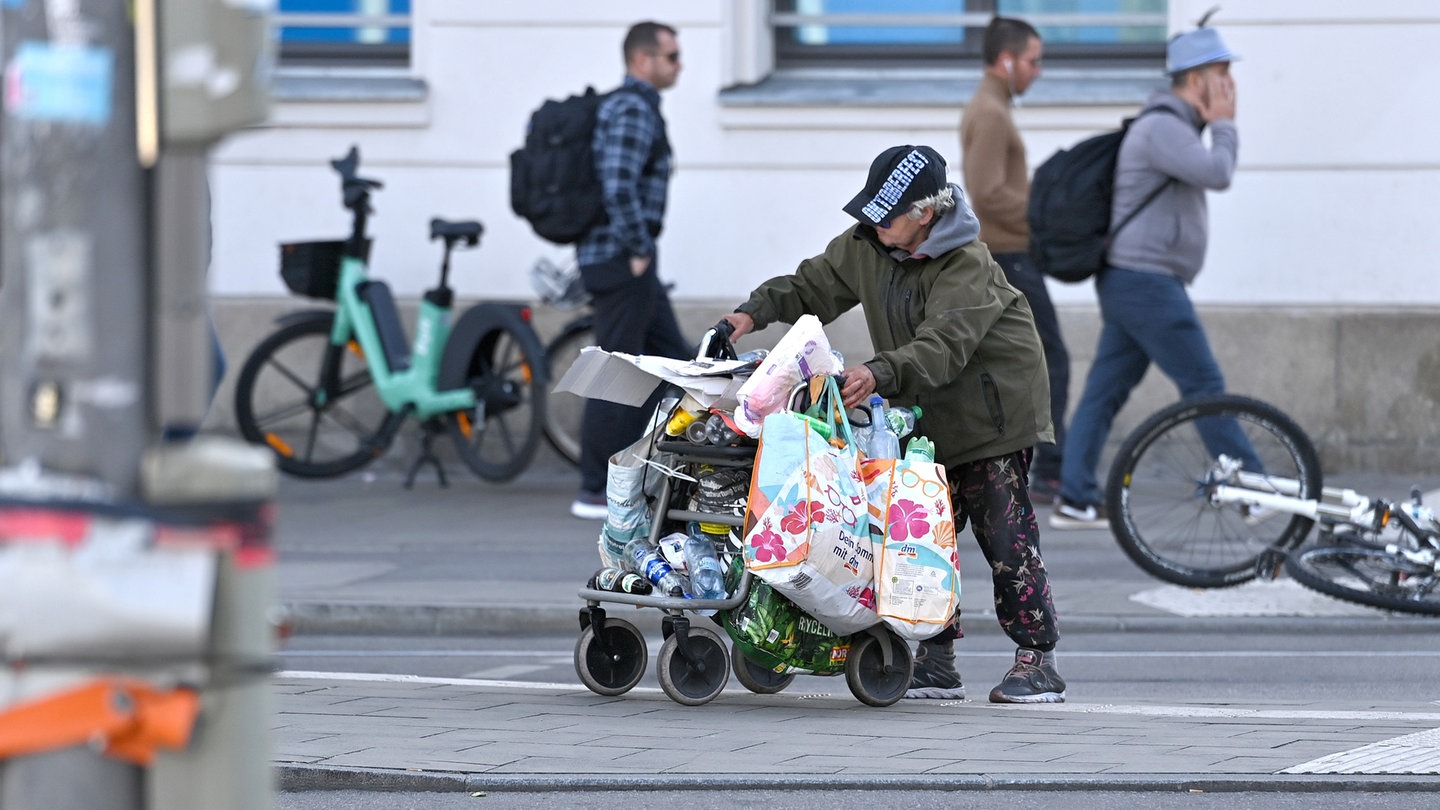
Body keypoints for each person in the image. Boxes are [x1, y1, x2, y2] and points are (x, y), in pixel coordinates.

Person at [721, 145, 1067, 704]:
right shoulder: (868, 244)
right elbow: (812, 285)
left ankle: (1038, 658)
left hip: (993, 415)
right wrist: (752, 312)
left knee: (1005, 535)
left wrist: (878, 372)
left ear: (925, 214)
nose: (875, 222)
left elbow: (943, 346)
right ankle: (936, 658)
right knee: (917, 538)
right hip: (924, 412)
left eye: (888, 213)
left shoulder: (967, 264)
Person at [1050, 23, 1253, 529]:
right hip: (1146, 283)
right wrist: (1225, 122)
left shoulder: (1174, 125)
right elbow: (1219, 172)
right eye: (1221, 74)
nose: (1229, 85)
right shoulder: (1163, 126)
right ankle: (1250, 485)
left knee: (1105, 390)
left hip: (1135, 281)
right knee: (1204, 383)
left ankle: (1075, 497)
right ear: (1195, 79)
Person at [570, 21, 692, 520]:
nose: (678, 64)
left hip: (628, 259)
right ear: (643, 60)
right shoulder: (632, 109)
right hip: (624, 259)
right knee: (617, 371)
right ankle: (595, 488)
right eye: (671, 56)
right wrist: (638, 248)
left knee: (679, 365)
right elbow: (616, 184)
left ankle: (681, 471)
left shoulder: (636, 107)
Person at [960, 16, 1070, 505]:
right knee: (1052, 360)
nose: (1038, 71)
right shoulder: (989, 112)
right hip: (1009, 256)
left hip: (1012, 253)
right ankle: (1051, 471)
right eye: (1033, 60)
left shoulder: (994, 107)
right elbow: (986, 194)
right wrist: (1045, 217)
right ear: (1006, 61)